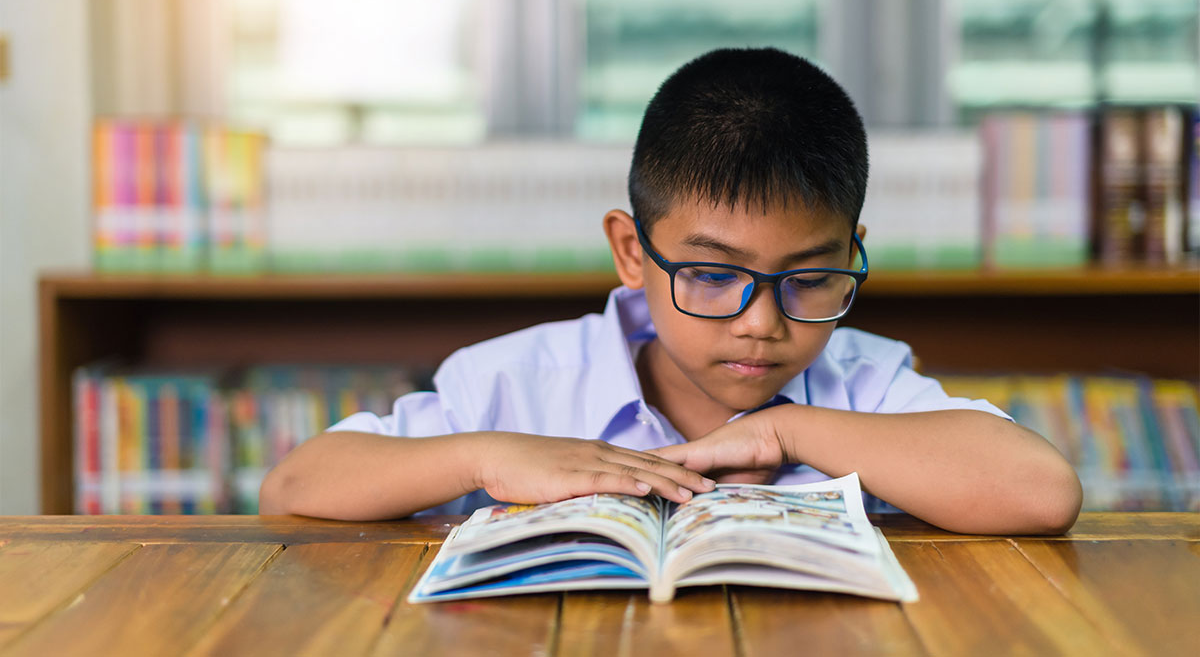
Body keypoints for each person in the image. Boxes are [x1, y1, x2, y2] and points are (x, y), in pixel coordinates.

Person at [259, 48, 1082, 534]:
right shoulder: (518, 381)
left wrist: (790, 431)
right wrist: (484, 455)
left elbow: (1041, 493)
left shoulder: (864, 385)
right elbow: (295, 488)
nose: (762, 324)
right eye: (715, 275)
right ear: (631, 251)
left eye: (811, 279)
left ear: (854, 255)